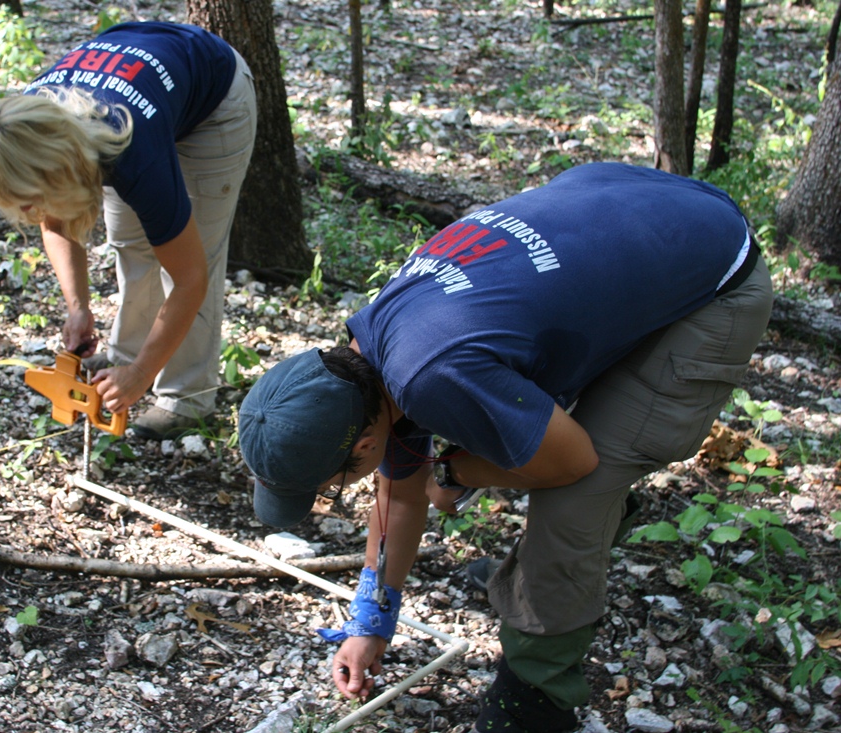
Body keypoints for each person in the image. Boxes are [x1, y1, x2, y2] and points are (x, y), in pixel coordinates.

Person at [237, 163, 773, 732]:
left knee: (579, 494)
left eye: (331, 484)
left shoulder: (429, 374)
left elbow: (574, 460)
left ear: (364, 442)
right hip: (635, 207)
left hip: (714, 276)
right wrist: (369, 623)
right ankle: (539, 580)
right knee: (538, 446)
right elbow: (398, 497)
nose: (337, 491)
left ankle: (538, 694)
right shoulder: (366, 359)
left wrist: (453, 470)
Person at [0, 21, 256, 440]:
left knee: (195, 253)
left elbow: (191, 278)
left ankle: (184, 399)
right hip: (137, 92)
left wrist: (140, 375)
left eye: (30, 201)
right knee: (131, 243)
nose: (29, 212)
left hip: (214, 98)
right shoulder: (24, 128)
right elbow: (54, 216)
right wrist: (77, 307)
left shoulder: (137, 157)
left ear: (61, 170)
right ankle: (125, 356)